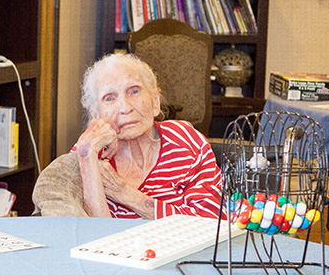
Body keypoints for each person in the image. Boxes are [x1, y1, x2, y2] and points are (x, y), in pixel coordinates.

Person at [73, 53, 221, 219]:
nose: (125, 107)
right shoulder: (87, 152)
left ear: (155, 102)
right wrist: (87, 157)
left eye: (134, 91)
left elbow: (211, 220)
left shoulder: (186, 141)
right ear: (96, 115)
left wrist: (126, 194)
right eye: (109, 98)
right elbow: (91, 236)